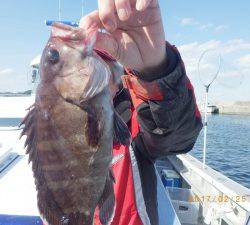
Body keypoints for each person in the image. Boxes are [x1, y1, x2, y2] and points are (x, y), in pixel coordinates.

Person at [79, 0, 203, 224]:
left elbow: (179, 138)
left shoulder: (134, 126)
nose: (90, 80)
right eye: (80, 70)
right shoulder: (49, 129)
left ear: (118, 82)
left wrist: (156, 70)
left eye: (101, 71)